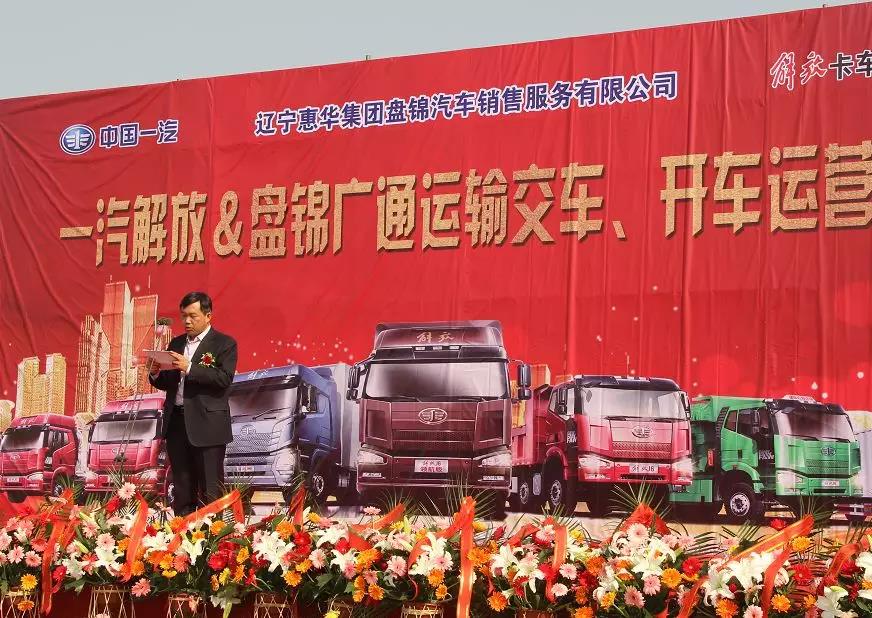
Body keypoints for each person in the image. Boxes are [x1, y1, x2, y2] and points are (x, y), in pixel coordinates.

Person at [149, 291, 238, 515]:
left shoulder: (224, 343)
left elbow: (224, 379)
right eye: (183, 316)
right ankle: (182, 530)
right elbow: (170, 382)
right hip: (177, 423)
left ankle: (212, 533)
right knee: (182, 485)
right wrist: (155, 373)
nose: (187, 321)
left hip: (207, 425)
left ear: (208, 316)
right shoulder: (177, 343)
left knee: (210, 489)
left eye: (193, 316)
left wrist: (189, 367)